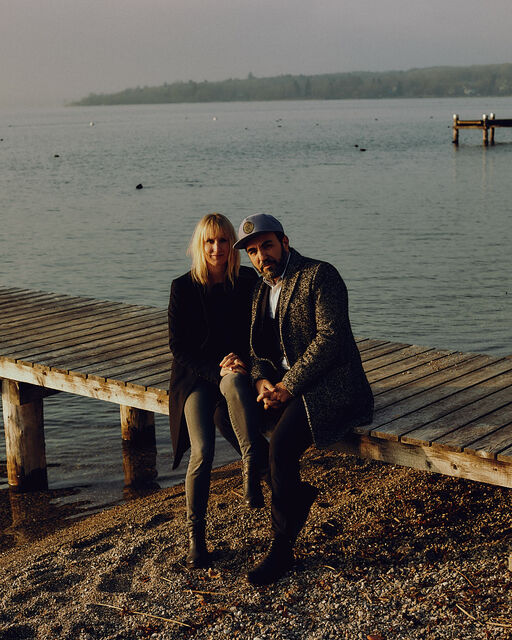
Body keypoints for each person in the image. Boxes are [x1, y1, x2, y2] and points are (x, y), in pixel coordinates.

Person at [232, 213, 374, 585]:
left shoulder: (319, 275)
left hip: (333, 384)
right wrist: (262, 381)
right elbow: (257, 348)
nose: (261, 255)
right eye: (253, 251)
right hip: (284, 385)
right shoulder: (261, 289)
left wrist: (288, 387)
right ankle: (295, 493)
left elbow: (331, 339)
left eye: (267, 245)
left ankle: (282, 549)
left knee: (280, 448)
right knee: (225, 414)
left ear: (285, 242)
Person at [168, 213, 265, 569]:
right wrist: (216, 367)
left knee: (237, 382)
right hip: (195, 379)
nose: (217, 248)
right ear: (199, 245)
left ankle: (251, 462)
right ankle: (197, 539)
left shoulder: (245, 281)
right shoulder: (183, 287)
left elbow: (256, 331)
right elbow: (179, 347)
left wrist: (240, 359)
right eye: (210, 241)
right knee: (203, 451)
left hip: (232, 371)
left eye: (223, 241)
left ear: (231, 245)